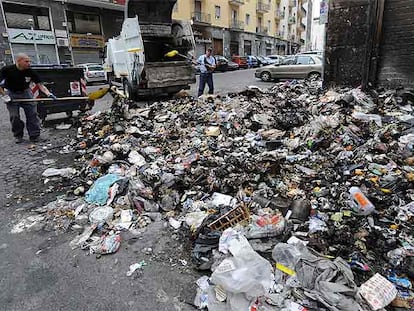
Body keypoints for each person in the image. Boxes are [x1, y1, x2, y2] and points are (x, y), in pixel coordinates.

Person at [0, 53, 56, 143]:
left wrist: (48, 94)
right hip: (12, 93)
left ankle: (34, 136)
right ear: (19, 61)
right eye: (26, 61)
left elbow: (40, 85)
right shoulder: (7, 70)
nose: (29, 63)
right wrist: (4, 95)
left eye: (29, 61)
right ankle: (18, 135)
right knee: (14, 116)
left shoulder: (30, 71)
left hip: (26, 93)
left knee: (32, 114)